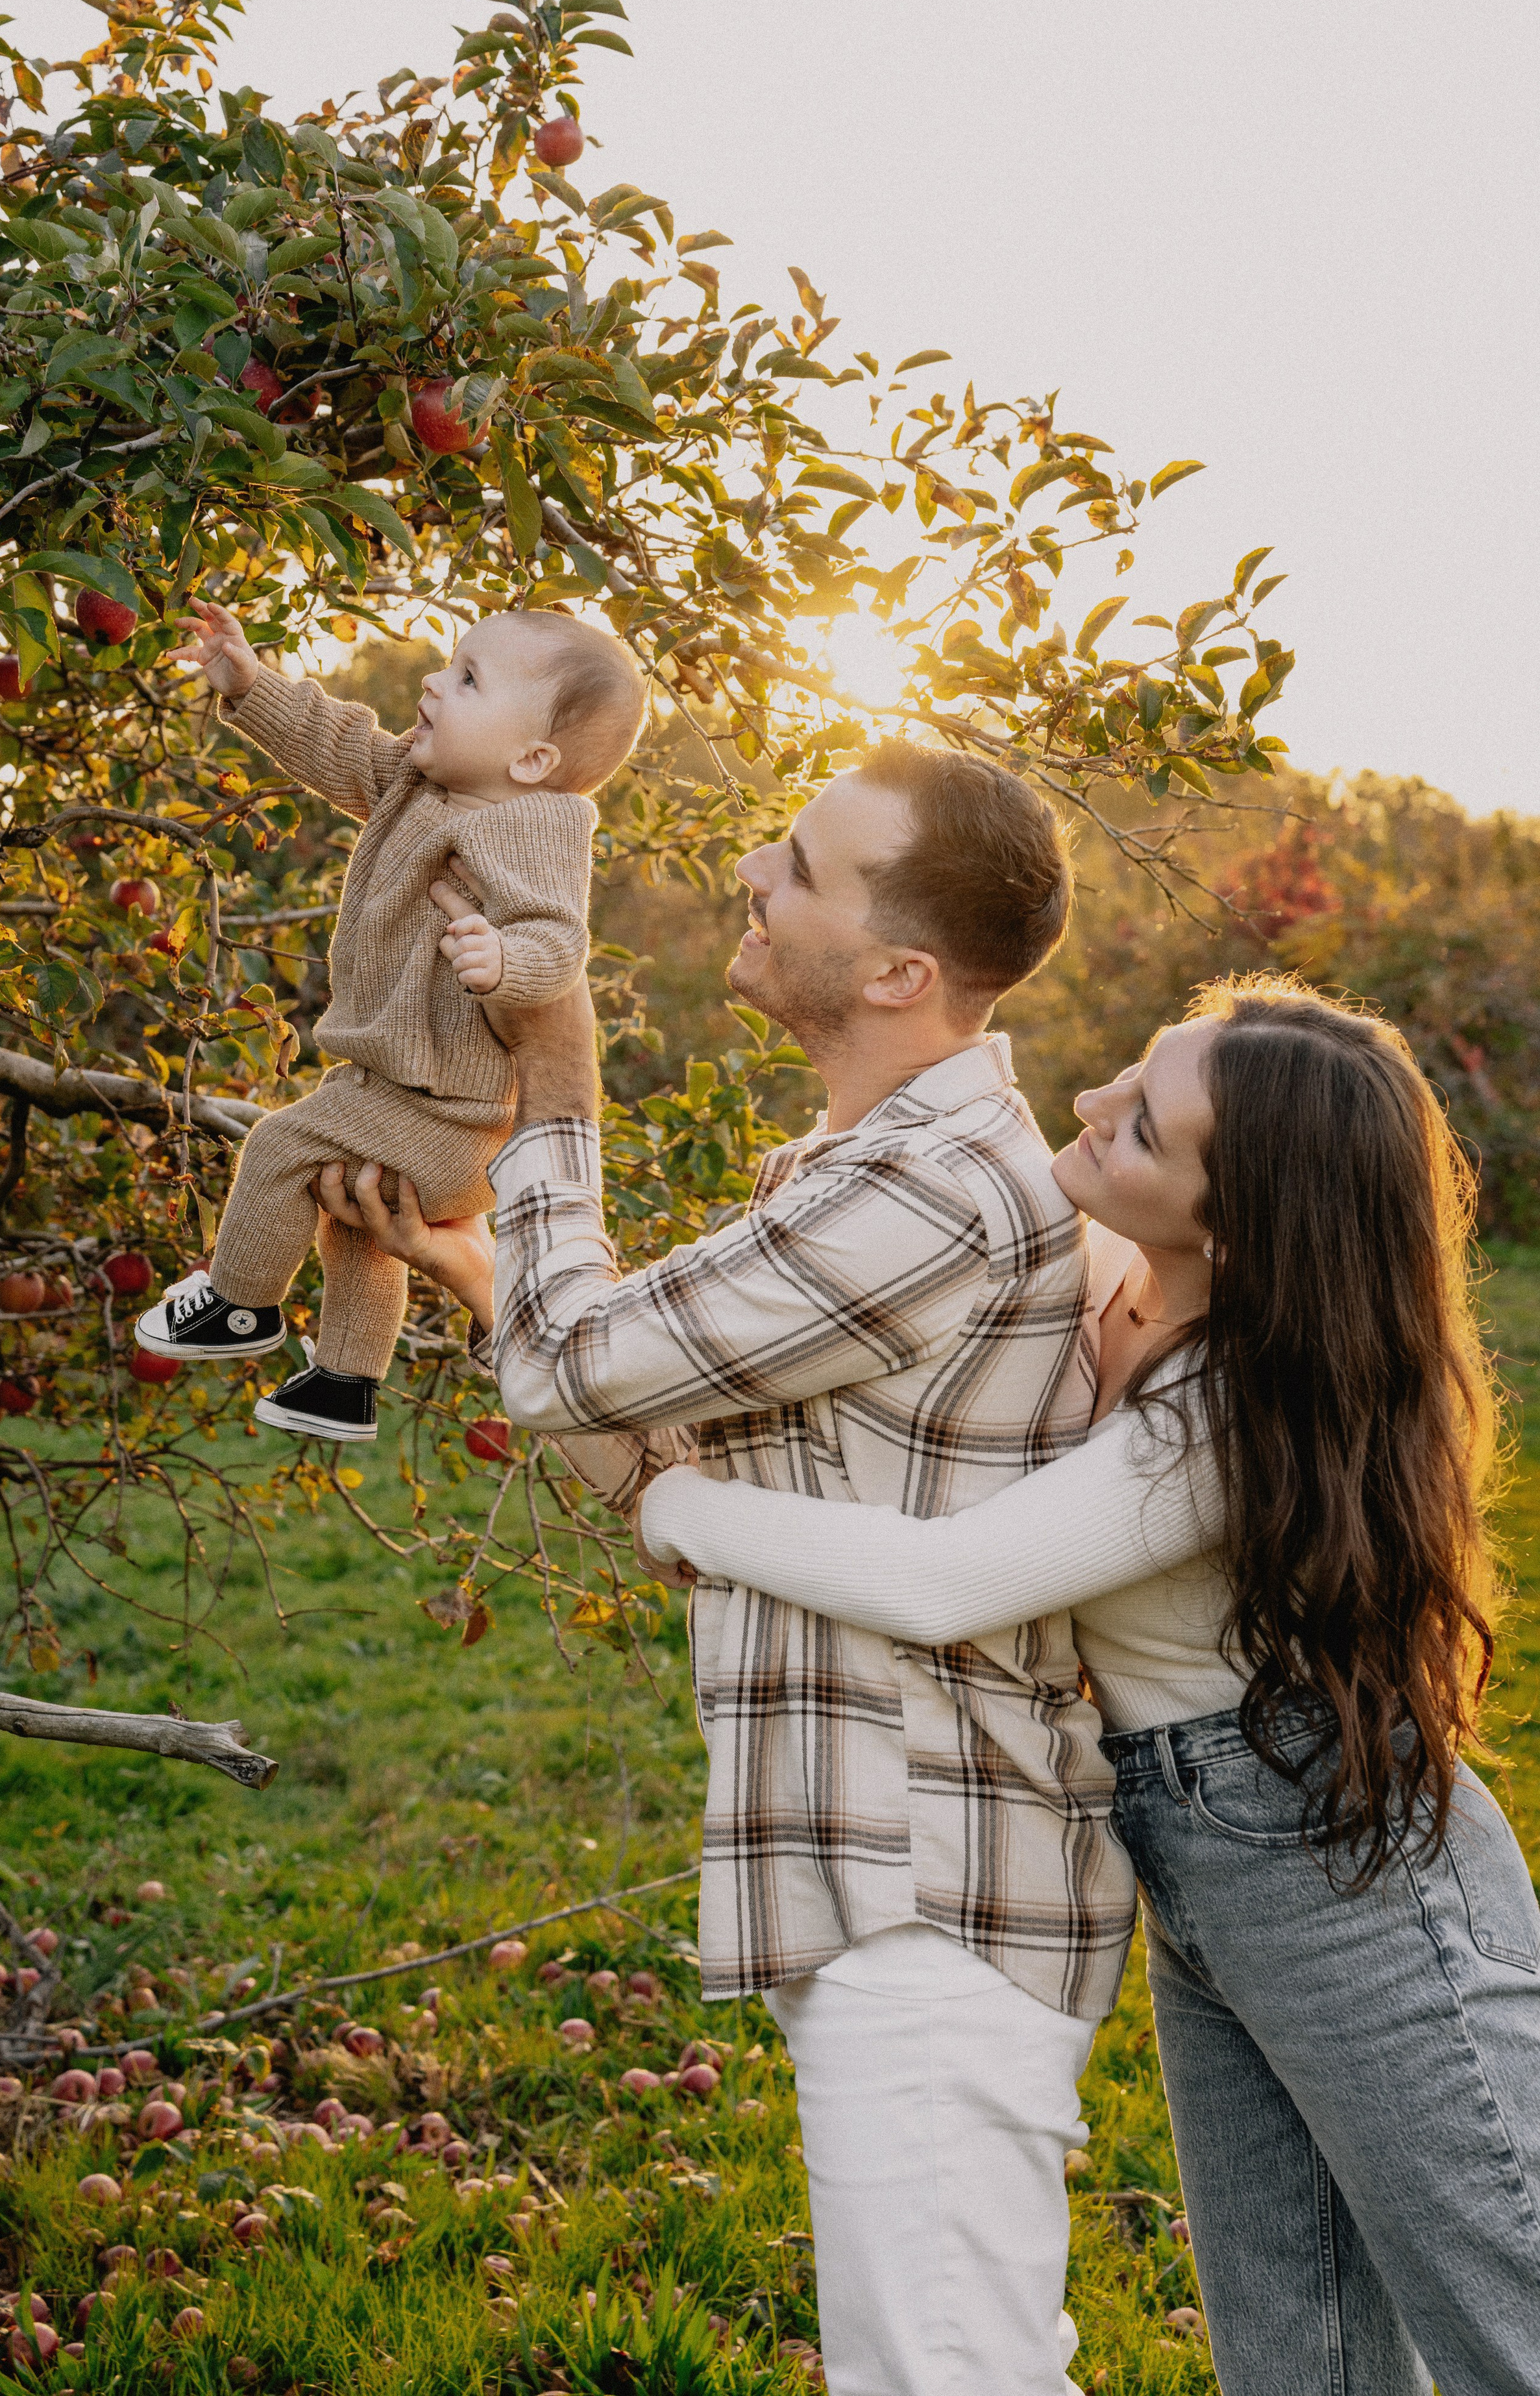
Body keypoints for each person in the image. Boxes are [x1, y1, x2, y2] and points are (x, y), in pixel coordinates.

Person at [316, 737, 1140, 2396]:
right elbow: (684, 1493)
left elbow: (577, 1373)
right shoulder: (859, 1176)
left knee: (946, 2379)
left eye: (801, 866)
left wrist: (561, 1078)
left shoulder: (924, 1192)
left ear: (901, 971)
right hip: (890, 1877)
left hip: (929, 1885)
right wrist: (491, 1276)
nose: (750, 877)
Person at [631, 975, 1540, 2396]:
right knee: (1296, 2349)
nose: (1085, 1104)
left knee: (1507, 2316)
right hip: (1197, 1865)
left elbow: (946, 1580)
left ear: (1234, 1227)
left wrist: (678, 1515)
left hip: (1340, 1873)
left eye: (1138, 1129)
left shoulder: (1225, 1412)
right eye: (1129, 1068)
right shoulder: (1104, 1283)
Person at [134, 601, 642, 1443]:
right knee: (355, 1223)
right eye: (451, 664)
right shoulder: (415, 782)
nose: (436, 684)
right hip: (400, 1099)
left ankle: (239, 1305)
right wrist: (251, 685)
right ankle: (343, 1384)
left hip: (451, 1117)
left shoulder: (532, 826)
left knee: (280, 1147)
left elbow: (558, 940)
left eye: (470, 680)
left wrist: (503, 960)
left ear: (534, 758)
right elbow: (335, 746)